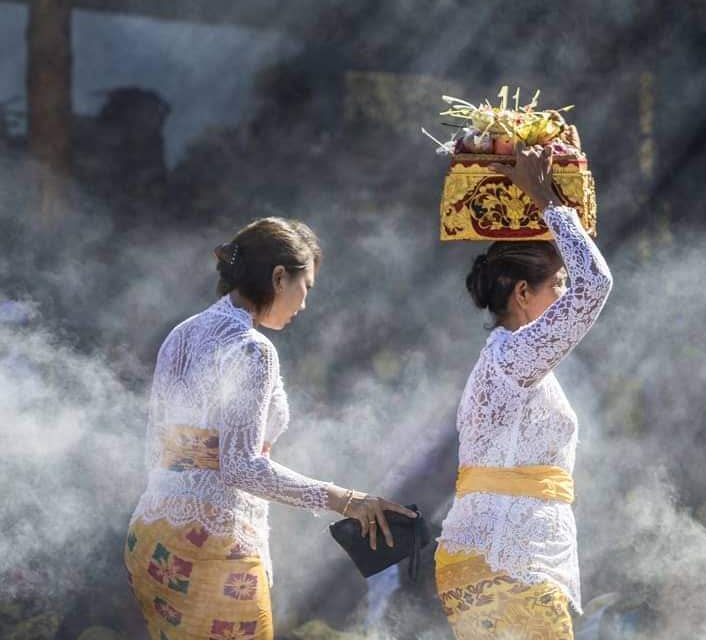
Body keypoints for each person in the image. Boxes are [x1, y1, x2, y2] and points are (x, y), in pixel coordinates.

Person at [123, 217, 414, 640]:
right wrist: (344, 499)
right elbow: (240, 467)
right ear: (279, 277)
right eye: (306, 287)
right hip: (210, 544)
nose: (304, 303)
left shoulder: (181, 334)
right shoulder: (252, 349)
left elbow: (156, 449)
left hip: (151, 535)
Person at [435, 145, 614, 639]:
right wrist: (545, 199)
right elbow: (595, 285)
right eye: (556, 284)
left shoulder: (508, 359)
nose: (564, 295)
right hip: (505, 557)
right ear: (521, 294)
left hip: (492, 556)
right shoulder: (512, 355)